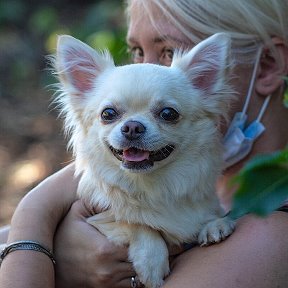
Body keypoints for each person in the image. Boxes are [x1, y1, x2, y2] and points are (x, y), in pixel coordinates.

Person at [1, 0, 288, 287]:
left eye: (168, 52)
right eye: (137, 51)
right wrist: (35, 215)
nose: (145, 69)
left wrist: (36, 221)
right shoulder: (94, 190)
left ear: (267, 66)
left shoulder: (269, 237)